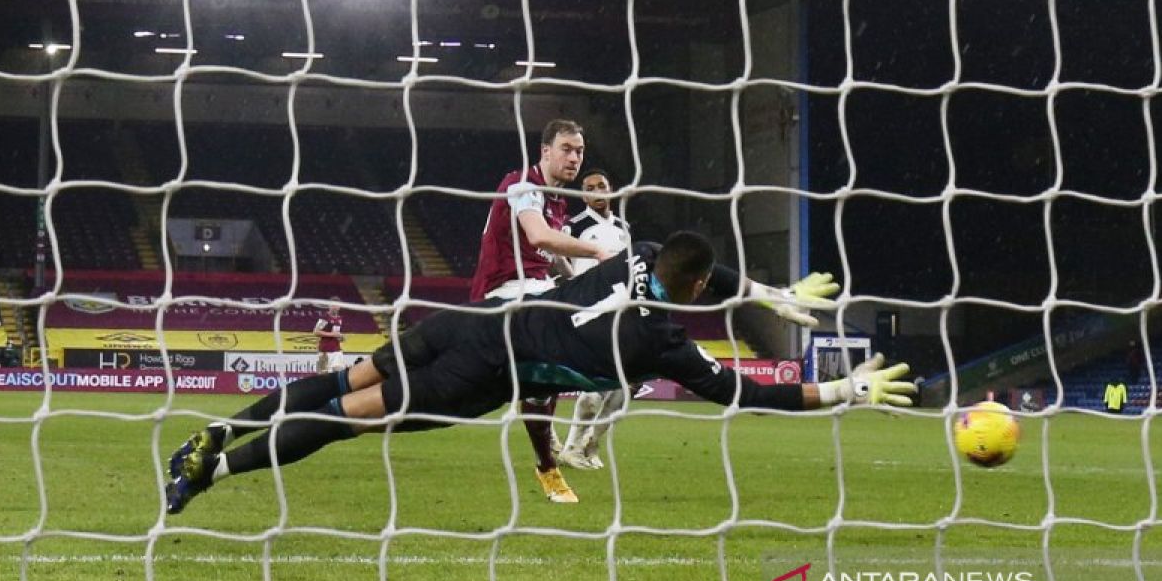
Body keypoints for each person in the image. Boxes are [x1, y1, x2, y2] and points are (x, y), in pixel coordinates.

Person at [163, 230, 916, 515]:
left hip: (468, 322)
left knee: (338, 381)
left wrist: (768, 293)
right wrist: (845, 388)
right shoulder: (664, 347)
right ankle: (211, 473)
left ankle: (215, 430)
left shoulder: (638, 251)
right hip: (482, 375)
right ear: (689, 293)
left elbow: (699, 272)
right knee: (337, 422)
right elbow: (752, 392)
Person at [469, 119, 613, 503]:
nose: (574, 157)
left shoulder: (558, 202)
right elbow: (539, 236)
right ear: (545, 151)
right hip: (504, 291)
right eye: (566, 148)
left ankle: (544, 439)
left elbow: (548, 256)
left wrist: (576, 277)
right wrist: (598, 253)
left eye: (579, 151)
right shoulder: (522, 185)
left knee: (547, 374)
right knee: (571, 339)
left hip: (536, 288)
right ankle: (548, 454)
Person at [559, 168, 633, 471]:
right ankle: (571, 448)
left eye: (601, 185)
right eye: (589, 187)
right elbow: (555, 255)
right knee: (592, 388)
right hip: (587, 311)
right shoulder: (574, 225)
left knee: (621, 389)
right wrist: (573, 284)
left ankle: (590, 445)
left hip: (620, 309)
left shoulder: (623, 227)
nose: (597, 191)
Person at [314, 298, 347, 373]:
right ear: (329, 306)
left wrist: (341, 337)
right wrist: (332, 334)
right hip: (324, 351)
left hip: (337, 351)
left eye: (337, 305)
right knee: (323, 375)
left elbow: (337, 333)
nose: (335, 307)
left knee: (339, 373)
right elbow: (316, 332)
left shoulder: (339, 319)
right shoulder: (324, 318)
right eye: (333, 305)